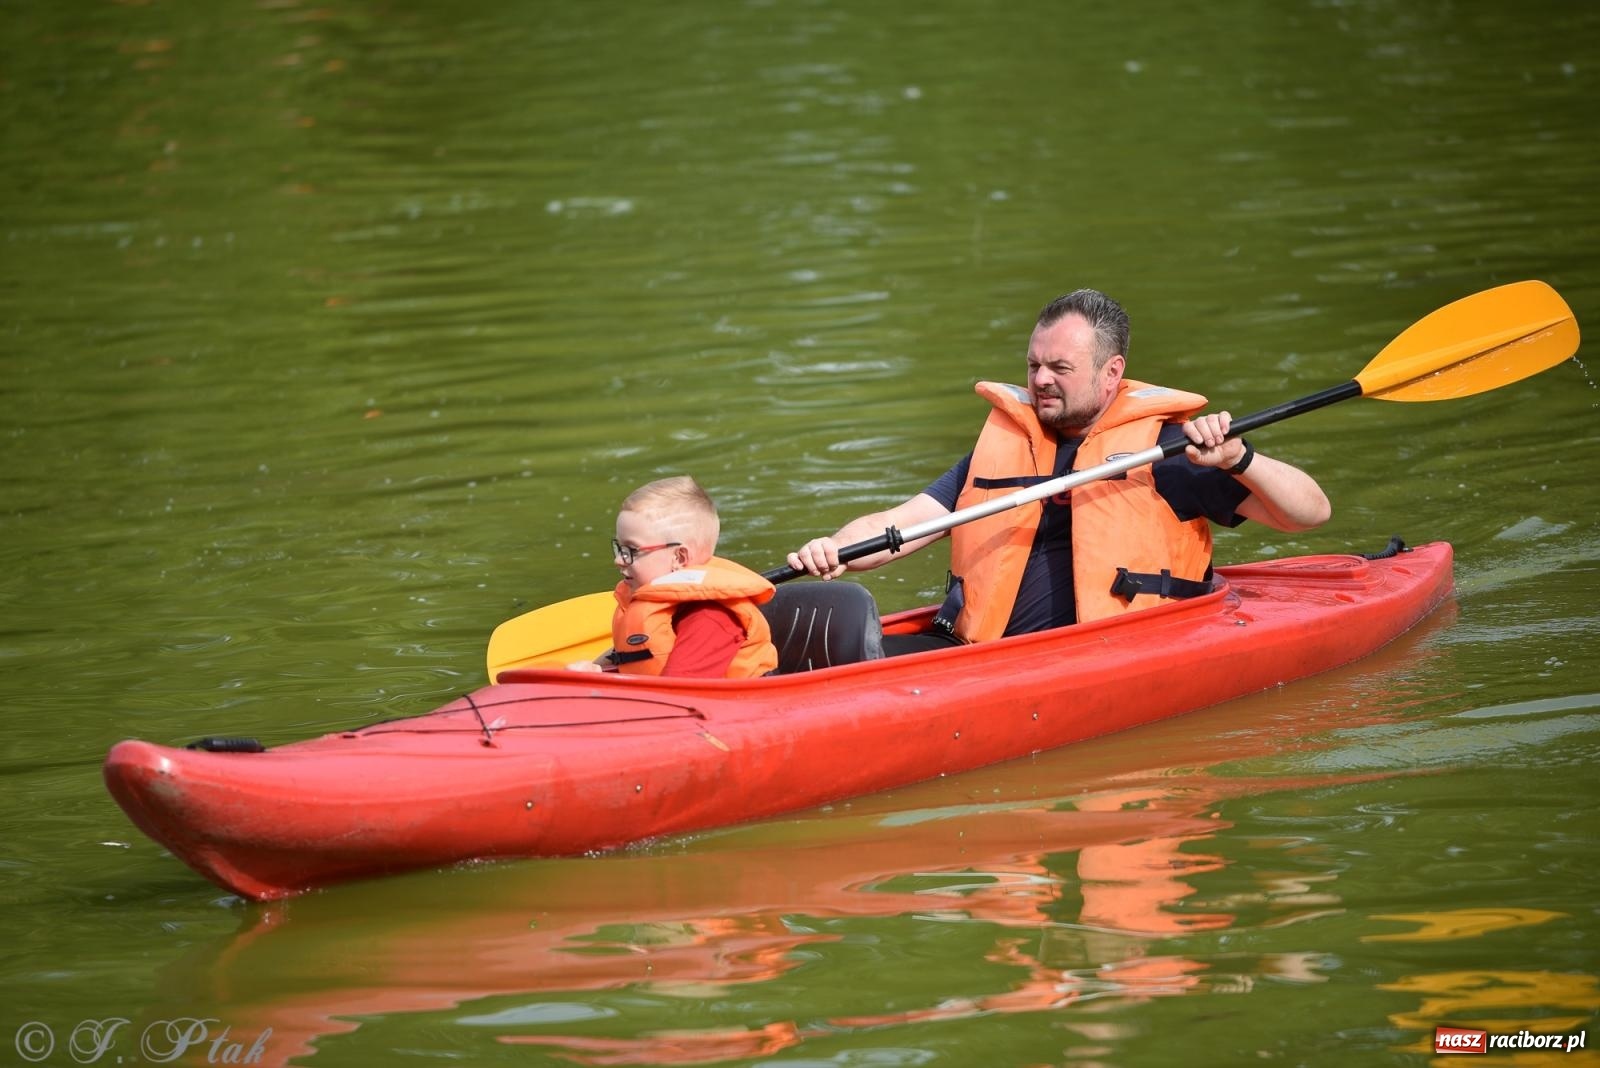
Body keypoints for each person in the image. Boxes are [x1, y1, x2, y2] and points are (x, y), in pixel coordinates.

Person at [787, 288, 1332, 654]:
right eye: (1033, 365)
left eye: (1060, 368)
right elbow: (899, 528)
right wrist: (834, 547)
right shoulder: (1001, 449)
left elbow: (1308, 514)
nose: (1041, 379)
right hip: (972, 652)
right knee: (848, 638)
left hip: (1096, 657)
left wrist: (1241, 460)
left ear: (1111, 372)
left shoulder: (1167, 453)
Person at [571, 476, 779, 678]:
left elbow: (680, 695)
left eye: (632, 550)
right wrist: (595, 669)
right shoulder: (659, 604)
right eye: (619, 548)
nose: (619, 560)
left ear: (679, 557)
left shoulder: (710, 616)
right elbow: (637, 654)